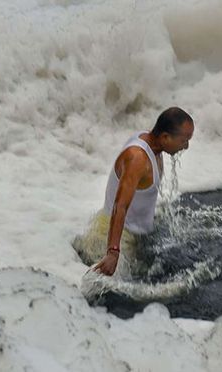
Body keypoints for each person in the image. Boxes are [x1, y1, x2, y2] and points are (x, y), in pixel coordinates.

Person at [73, 107, 194, 277]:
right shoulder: (138, 158)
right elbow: (120, 206)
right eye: (184, 140)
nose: (186, 146)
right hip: (115, 238)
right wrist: (113, 252)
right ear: (165, 137)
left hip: (133, 233)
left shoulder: (153, 144)